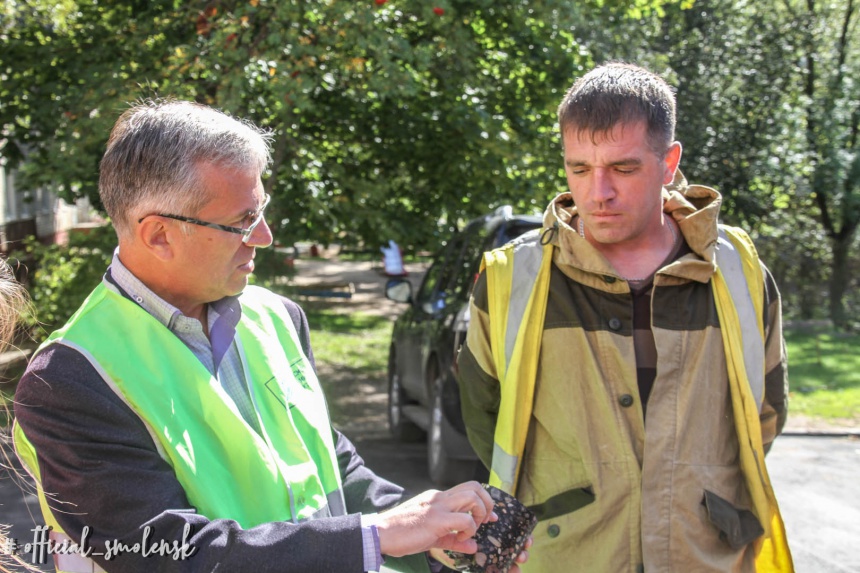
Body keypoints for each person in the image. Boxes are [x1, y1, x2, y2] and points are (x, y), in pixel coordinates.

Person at [12, 99, 529, 573]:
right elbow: (170, 554)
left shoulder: (276, 315)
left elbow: (332, 467)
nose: (264, 235)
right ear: (159, 234)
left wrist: (441, 534)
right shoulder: (70, 379)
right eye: (242, 221)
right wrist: (379, 534)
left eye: (260, 210)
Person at [457, 62, 793, 572]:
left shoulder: (738, 272)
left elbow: (763, 415)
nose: (598, 192)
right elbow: (485, 419)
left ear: (669, 161)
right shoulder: (511, 278)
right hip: (564, 558)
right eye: (579, 168)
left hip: (706, 558)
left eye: (624, 168)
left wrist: (687, 499)